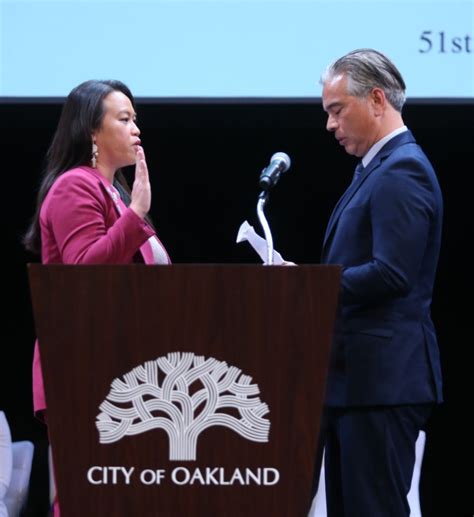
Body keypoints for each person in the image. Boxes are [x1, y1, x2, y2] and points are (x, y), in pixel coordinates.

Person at [23, 79, 171, 515]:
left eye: (136, 119)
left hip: (126, 368)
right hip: (86, 368)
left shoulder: (115, 193)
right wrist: (138, 214)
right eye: (124, 120)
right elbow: (85, 272)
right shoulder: (75, 186)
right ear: (91, 131)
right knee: (90, 499)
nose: (136, 129)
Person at [318, 49, 443, 516]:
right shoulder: (376, 169)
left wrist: (314, 287)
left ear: (375, 99)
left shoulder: (401, 170)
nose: (330, 125)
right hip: (358, 383)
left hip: (382, 382)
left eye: (337, 110)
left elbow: (392, 273)